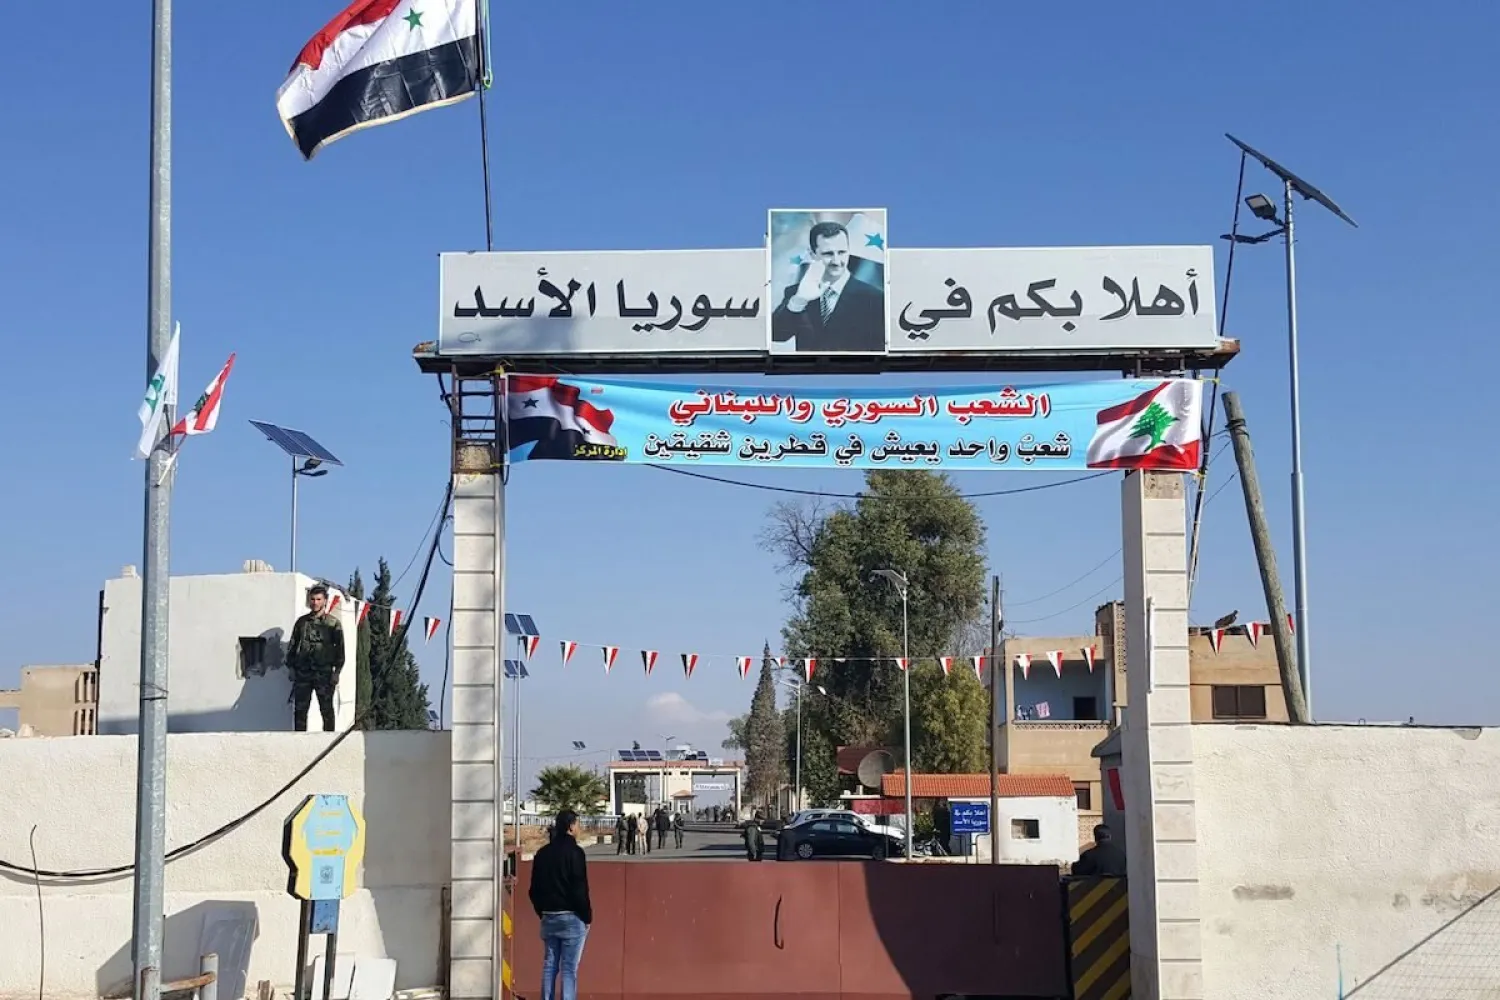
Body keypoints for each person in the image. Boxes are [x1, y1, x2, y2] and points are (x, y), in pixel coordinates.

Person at [770, 220, 886, 353]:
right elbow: (777, 334)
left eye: (842, 252)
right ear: (812, 254)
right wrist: (800, 300)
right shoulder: (796, 293)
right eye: (828, 254)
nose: (836, 261)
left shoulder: (875, 298)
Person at [528, 810, 592, 1000]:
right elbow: (579, 889)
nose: (579, 827)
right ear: (571, 826)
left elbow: (533, 890)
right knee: (569, 968)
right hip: (572, 917)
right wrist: (587, 916)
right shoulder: (576, 853)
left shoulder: (542, 854)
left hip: (549, 915)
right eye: (577, 824)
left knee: (550, 965)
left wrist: (542, 911)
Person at [286, 584, 345, 732]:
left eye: (318, 599)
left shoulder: (333, 623)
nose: (315, 603)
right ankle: (299, 741)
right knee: (300, 711)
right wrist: (291, 668)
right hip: (303, 673)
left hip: (324, 674)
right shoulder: (301, 623)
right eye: (312, 599)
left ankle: (328, 740)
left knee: (327, 711)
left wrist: (337, 672)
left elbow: (340, 649)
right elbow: (292, 646)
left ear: (325, 600)